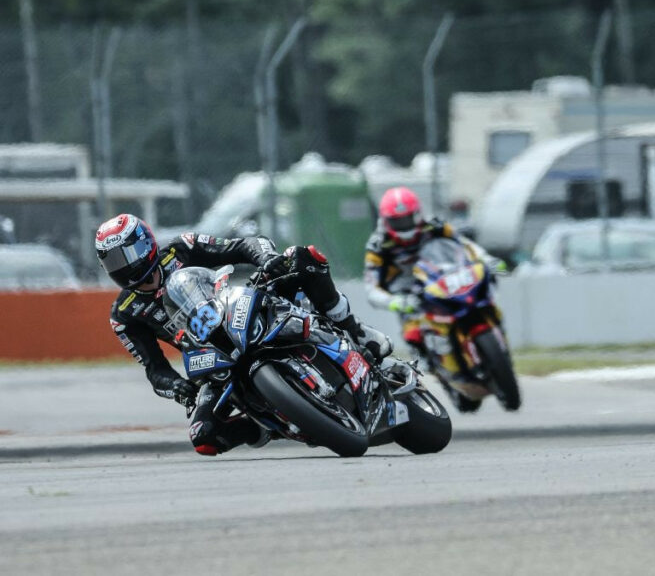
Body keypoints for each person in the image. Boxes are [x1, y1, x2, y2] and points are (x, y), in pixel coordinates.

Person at [96, 213, 391, 456]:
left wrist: (266, 259)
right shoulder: (123, 314)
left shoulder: (181, 248)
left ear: (145, 243)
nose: (124, 267)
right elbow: (154, 369)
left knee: (303, 258)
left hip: (239, 306)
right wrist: (178, 389)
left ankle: (356, 331)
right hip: (210, 358)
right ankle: (263, 426)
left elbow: (242, 245)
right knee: (204, 437)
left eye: (127, 255)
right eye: (113, 262)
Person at [363, 186, 505, 410]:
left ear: (417, 214)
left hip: (444, 279)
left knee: (479, 296)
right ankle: (438, 368)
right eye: (398, 222)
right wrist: (394, 301)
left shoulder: (436, 225)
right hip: (409, 295)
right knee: (415, 336)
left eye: (408, 219)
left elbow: (465, 245)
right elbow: (371, 288)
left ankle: (488, 344)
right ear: (387, 221)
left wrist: (486, 259)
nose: (405, 226)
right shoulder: (378, 245)